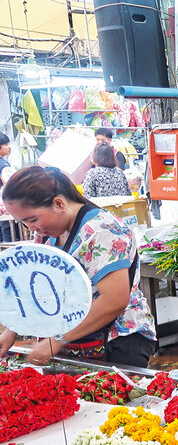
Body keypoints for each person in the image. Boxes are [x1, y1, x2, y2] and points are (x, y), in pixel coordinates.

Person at [0, 167, 156, 367]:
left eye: (32, 220)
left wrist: (56, 340)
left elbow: (114, 300)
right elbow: (38, 286)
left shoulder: (101, 231)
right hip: (75, 339)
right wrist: (11, 330)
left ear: (58, 203)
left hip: (117, 341)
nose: (31, 229)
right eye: (24, 223)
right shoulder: (48, 233)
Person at [0, 133, 16, 243]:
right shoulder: (3, 165)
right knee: (7, 230)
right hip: (3, 204)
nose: (9, 147)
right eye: (5, 144)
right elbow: (9, 184)